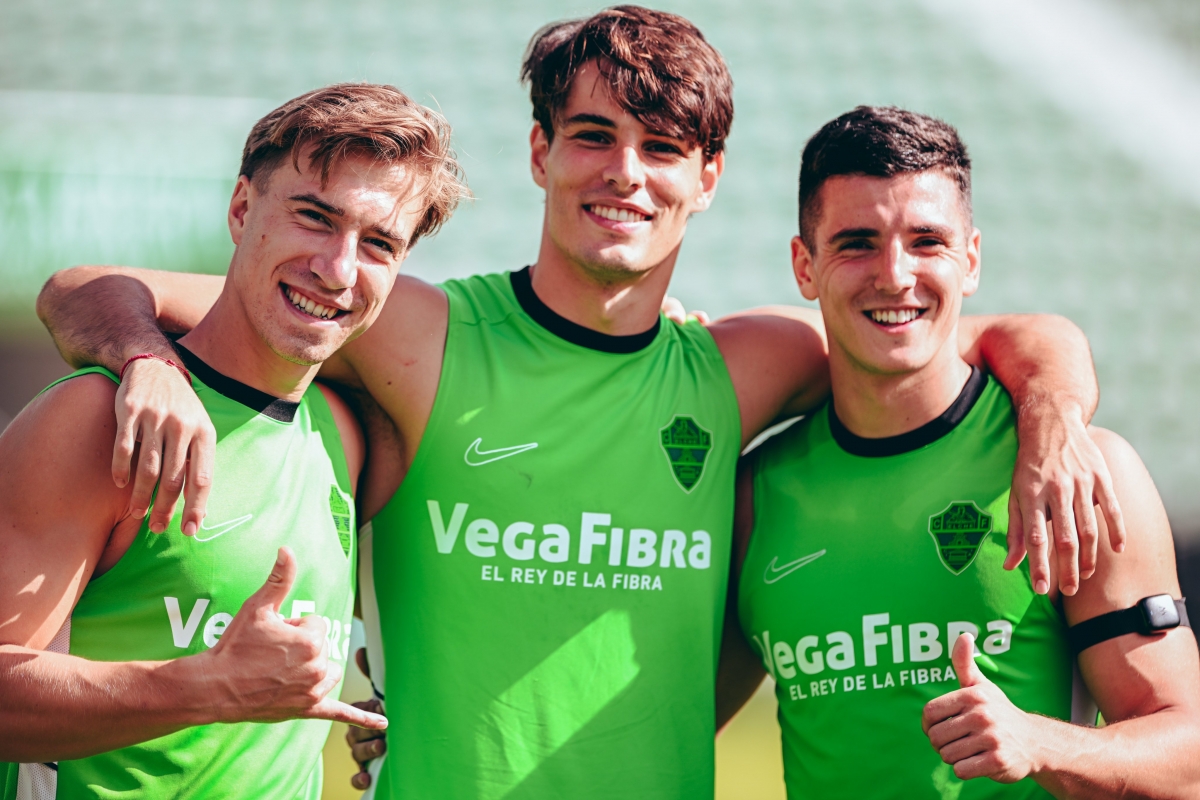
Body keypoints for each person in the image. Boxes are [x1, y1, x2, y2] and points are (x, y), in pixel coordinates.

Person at [37, 8, 1119, 799]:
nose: (626, 174)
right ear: (542, 152)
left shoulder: (753, 362)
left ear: (708, 178)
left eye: (662, 148)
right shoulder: (416, 331)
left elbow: (989, 334)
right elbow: (87, 287)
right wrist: (144, 356)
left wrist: (1057, 420)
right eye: (595, 135)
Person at [0, 83, 466, 798]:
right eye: (315, 218)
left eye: (378, 243)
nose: (339, 270)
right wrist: (209, 688)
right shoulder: (97, 419)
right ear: (242, 210)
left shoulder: (348, 436)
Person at [720, 106, 1200, 799]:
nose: (894, 275)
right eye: (857, 242)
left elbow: (1187, 757)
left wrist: (1042, 742)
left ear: (970, 259)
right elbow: (670, 723)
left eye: (926, 242)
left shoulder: (1076, 472)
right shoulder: (755, 499)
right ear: (805, 264)